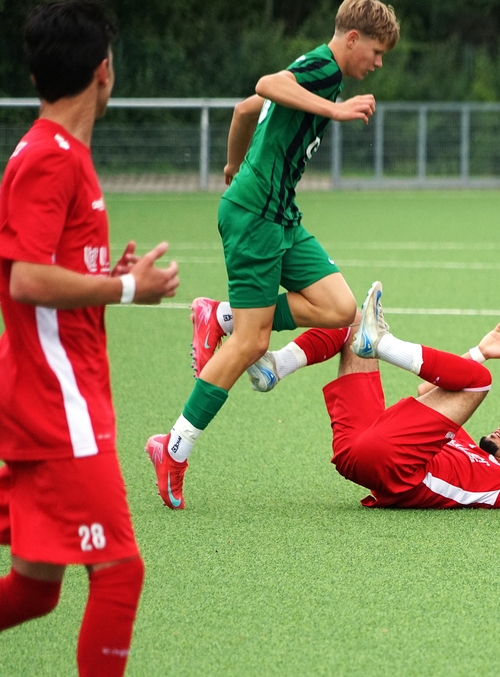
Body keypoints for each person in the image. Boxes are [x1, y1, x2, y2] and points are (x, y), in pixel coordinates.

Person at [145, 0, 400, 510]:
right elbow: (265, 84)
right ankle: (173, 448)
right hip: (256, 218)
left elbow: (244, 111)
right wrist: (334, 110)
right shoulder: (324, 68)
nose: (378, 63)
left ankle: (219, 315)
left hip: (280, 216)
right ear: (352, 39)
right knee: (250, 342)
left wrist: (233, 164)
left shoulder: (323, 74)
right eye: (375, 52)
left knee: (339, 308)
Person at [0, 2, 181, 677]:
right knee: (120, 572)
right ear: (103, 71)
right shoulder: (52, 159)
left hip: (53, 392)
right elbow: (26, 279)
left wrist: (104, 275)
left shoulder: (58, 153)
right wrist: (127, 289)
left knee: (35, 588)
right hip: (59, 404)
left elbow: (44, 266)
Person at [248, 281, 500, 510]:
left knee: (480, 382)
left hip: (393, 468)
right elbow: (428, 390)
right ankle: (276, 366)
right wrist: (478, 353)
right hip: (359, 449)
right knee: (349, 318)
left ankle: (382, 344)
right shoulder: (460, 438)